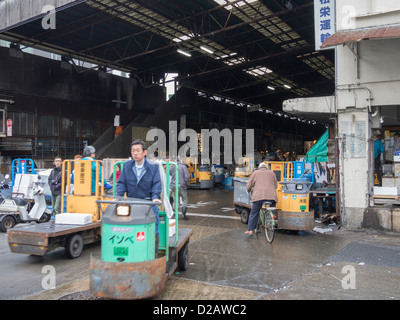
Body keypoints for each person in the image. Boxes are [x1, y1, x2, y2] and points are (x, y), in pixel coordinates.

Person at [116, 139, 162, 255]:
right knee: (130, 229)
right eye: (133, 151)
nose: (135, 153)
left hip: (148, 203)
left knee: (153, 228)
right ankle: (133, 254)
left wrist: (155, 197)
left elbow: (157, 183)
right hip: (132, 204)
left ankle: (153, 254)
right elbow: (121, 183)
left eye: (137, 151)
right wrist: (118, 197)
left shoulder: (153, 167)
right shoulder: (127, 166)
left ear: (144, 152)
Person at [245, 162, 278, 236]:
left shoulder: (255, 173)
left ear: (259, 167)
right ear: (266, 167)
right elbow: (276, 185)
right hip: (271, 197)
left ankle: (250, 230)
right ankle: (272, 218)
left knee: (254, 212)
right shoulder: (272, 173)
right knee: (272, 209)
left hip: (259, 197)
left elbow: (249, 184)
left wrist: (248, 190)